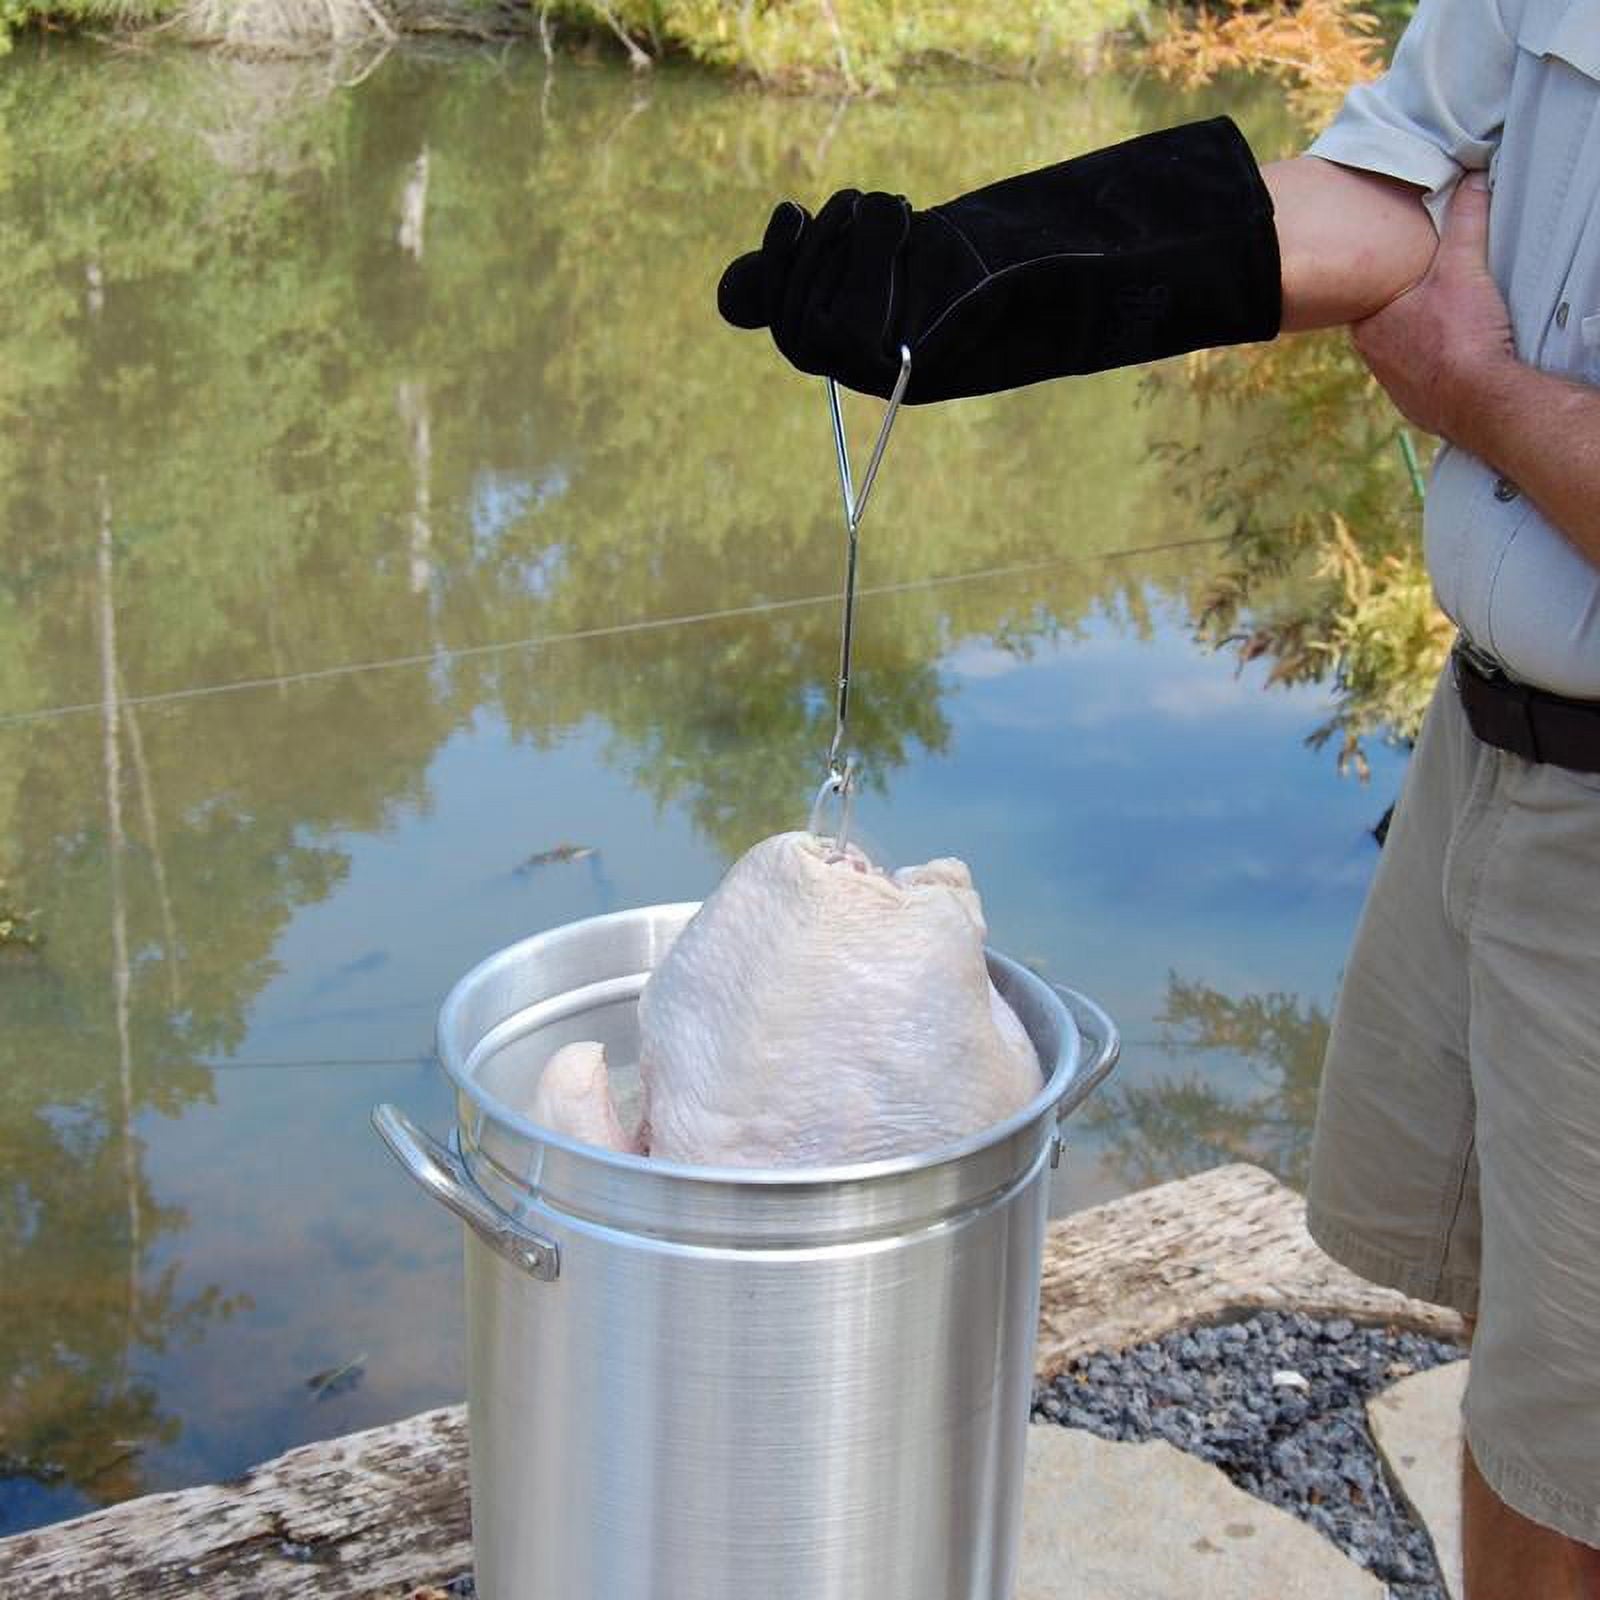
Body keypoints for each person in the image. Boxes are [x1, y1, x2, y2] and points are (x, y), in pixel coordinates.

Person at [715, 3, 1600, 1595]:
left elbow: (1457, 343)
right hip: (1492, 754)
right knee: (1534, 1371)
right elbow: (1391, 192)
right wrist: (990, 276)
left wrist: (1484, 401)